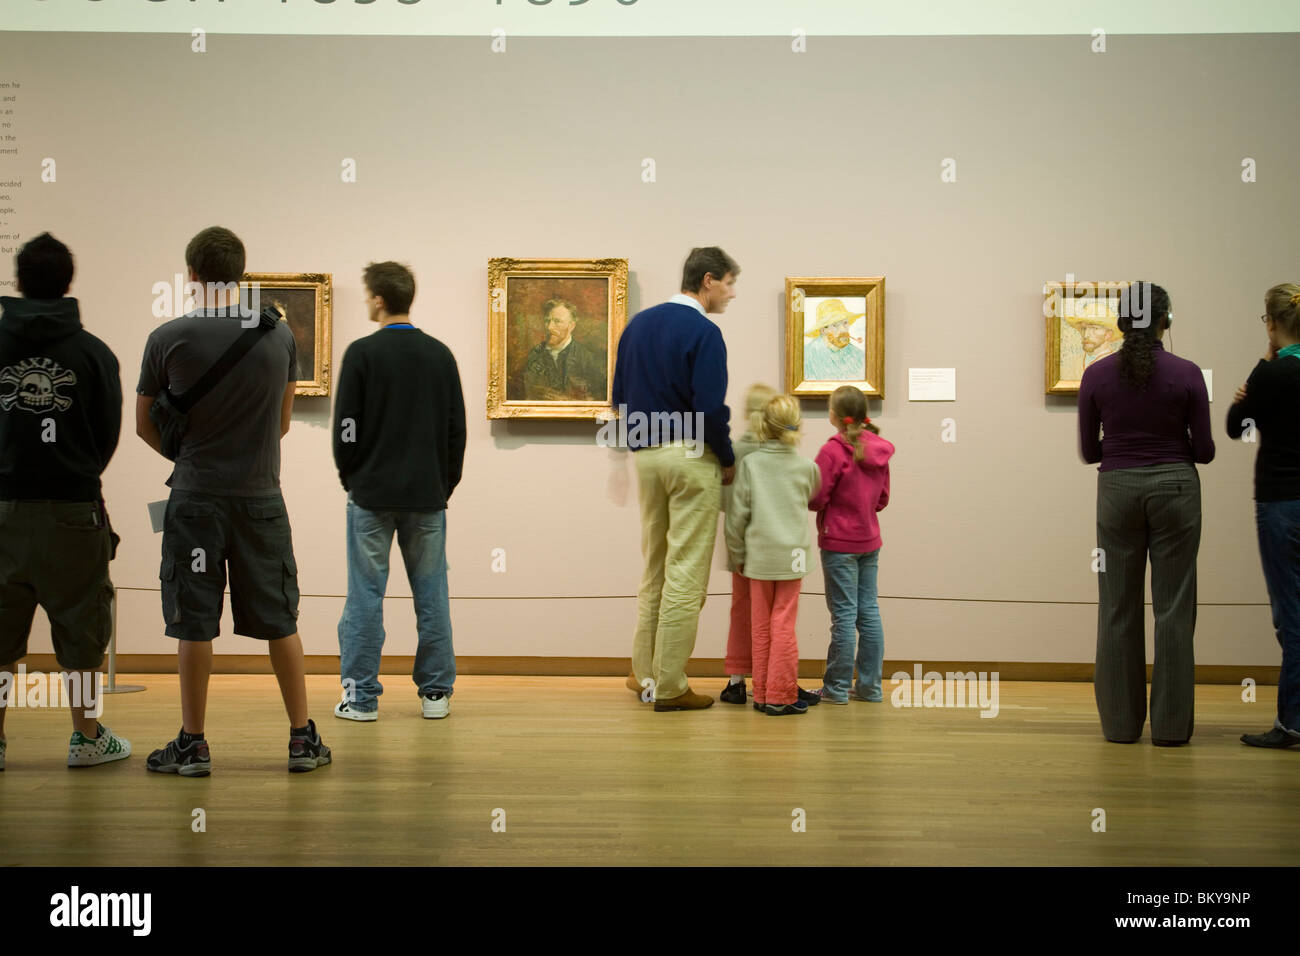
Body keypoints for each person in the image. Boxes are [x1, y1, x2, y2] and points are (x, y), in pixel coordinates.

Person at [136, 226, 329, 775]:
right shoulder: (279, 336)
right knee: (279, 619)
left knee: (193, 622)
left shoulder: (167, 337)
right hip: (261, 498)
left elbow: (144, 425)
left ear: (191, 274)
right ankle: (301, 740)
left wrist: (192, 461)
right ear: (242, 273)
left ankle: (193, 744)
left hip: (194, 499)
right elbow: (284, 421)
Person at [0, 233, 129, 769]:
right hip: (74, 510)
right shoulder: (94, 353)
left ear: (18, 281)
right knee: (82, 627)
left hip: (2, 509)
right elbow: (108, 435)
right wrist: (74, 475)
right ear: (68, 283)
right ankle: (87, 737)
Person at [1077, 281, 1213, 746]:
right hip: (1176, 486)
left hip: (1116, 488)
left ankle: (1120, 726)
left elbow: (1087, 450)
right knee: (1173, 608)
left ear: (1120, 320)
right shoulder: (1188, 373)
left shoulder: (1095, 375)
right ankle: (1172, 729)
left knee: (1117, 607)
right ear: (1165, 320)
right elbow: (1207, 451)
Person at [332, 261, 466, 721]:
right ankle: (435, 695)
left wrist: (352, 477)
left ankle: (361, 698)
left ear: (379, 299)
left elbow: (346, 428)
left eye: (367, 295)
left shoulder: (362, 354)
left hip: (370, 495)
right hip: (426, 496)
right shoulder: (440, 354)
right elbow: (456, 431)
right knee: (432, 595)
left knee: (364, 597)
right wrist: (443, 483)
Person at [614, 246, 737, 712]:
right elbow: (709, 408)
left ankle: (643, 672)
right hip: (689, 455)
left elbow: (619, 397)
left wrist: (636, 446)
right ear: (707, 280)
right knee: (686, 571)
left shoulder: (637, 325)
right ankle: (669, 685)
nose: (729, 293)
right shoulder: (705, 331)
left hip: (646, 454)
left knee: (655, 566)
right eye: (728, 283)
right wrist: (724, 455)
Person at [1227, 283, 1300, 749]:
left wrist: (1249, 385)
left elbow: (1237, 429)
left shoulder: (1269, 375)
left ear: (1271, 324)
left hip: (1279, 502)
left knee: (1291, 615)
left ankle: (1292, 722)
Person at [724, 394, 820, 715]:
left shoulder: (750, 465)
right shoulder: (807, 467)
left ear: (763, 426)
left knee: (760, 623)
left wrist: (736, 551)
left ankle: (763, 692)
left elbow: (737, 514)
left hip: (758, 556)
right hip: (792, 556)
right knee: (784, 622)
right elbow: (815, 495)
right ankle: (781, 695)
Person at [809, 385, 894, 704]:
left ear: (834, 415)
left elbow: (816, 498)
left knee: (843, 615)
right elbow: (882, 499)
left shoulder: (832, 451)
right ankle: (870, 687)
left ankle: (836, 688)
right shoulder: (880, 448)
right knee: (868, 611)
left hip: (838, 543)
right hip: (869, 539)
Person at [718, 383, 776, 704]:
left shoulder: (735, 452)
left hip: (739, 544)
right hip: (772, 547)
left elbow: (725, 502)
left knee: (740, 609)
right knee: (772, 613)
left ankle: (737, 679)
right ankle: (770, 679)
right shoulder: (778, 453)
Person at [522, 298, 607, 400]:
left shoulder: (587, 358)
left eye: (557, 321)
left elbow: (602, 399)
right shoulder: (535, 355)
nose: (549, 327)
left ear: (571, 326)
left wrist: (568, 401)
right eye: (547, 321)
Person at [803, 299, 866, 381]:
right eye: (835, 325)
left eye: (845, 323)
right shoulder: (806, 355)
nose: (843, 330)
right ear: (823, 330)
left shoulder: (859, 356)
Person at [1068, 301, 1124, 369]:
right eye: (1084, 328)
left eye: (1094, 328)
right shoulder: (1074, 362)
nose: (1085, 335)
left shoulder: (1116, 365)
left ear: (1108, 334)